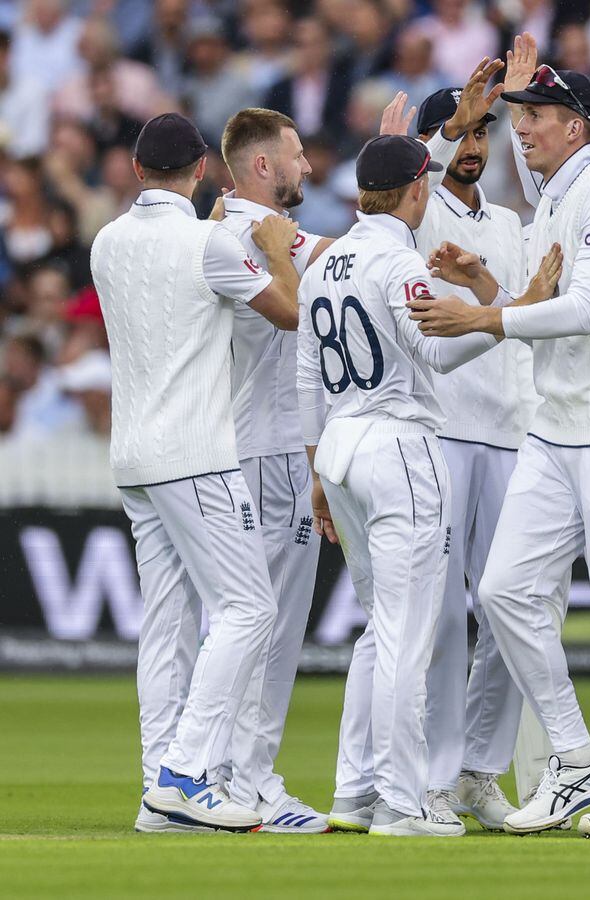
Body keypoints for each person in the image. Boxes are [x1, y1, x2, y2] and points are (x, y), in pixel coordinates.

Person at [406, 52, 590, 840]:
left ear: (577, 126)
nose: (519, 130)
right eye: (515, 117)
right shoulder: (552, 201)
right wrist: (487, 287)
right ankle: (576, 760)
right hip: (557, 427)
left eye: (533, 117)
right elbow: (532, 305)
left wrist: (482, 317)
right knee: (506, 593)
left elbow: (584, 307)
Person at [296, 134, 557, 838]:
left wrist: (318, 467)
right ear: (416, 190)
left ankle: (353, 792)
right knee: (409, 637)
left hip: (342, 447)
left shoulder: (323, 265)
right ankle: (401, 802)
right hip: (399, 444)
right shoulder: (397, 260)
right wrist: (506, 318)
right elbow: (436, 353)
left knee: (378, 635)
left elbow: (304, 379)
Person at [91, 112, 300, 832]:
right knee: (250, 608)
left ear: (136, 168)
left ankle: (158, 785)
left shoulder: (106, 241)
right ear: (204, 168)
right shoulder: (208, 242)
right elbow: (292, 313)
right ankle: (184, 775)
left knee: (169, 622)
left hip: (133, 460)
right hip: (196, 456)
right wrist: (276, 252)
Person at [411, 65, 539, 832]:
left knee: (510, 610)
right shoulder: (413, 209)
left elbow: (517, 312)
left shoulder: (512, 224)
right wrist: (447, 124)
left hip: (505, 430)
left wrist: (484, 279)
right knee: (433, 613)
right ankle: (428, 776)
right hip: (435, 425)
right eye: (464, 129)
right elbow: (411, 166)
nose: (474, 143)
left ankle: (476, 773)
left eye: (485, 129)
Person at [212, 107, 336, 834]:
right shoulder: (247, 238)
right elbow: (318, 285)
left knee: (244, 621)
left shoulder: (234, 231)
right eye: (296, 156)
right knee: (272, 625)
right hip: (270, 451)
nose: (308, 168)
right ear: (263, 166)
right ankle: (249, 782)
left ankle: (227, 773)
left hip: (249, 448)